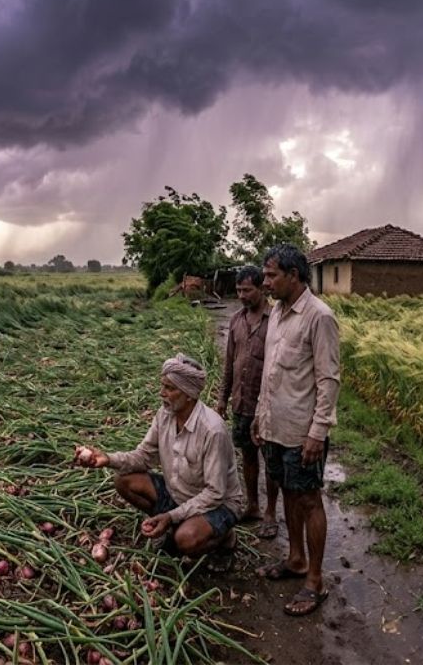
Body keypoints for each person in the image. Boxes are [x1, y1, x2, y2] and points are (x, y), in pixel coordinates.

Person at [77, 354, 245, 557]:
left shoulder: (212, 431)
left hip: (217, 504)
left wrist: (171, 516)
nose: (162, 393)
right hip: (179, 494)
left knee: (185, 540)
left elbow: (214, 493)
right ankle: (174, 524)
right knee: (124, 480)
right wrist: (107, 459)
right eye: (162, 385)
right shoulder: (164, 415)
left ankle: (225, 538)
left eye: (170, 388)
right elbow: (144, 456)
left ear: (189, 394)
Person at [253, 243, 340, 617]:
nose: (265, 281)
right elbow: (271, 371)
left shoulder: (319, 317)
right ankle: (295, 559)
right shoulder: (276, 313)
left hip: (303, 432)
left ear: (294, 275)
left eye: (272, 275)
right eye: (265, 274)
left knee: (308, 499)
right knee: (289, 492)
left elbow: (329, 379)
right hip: (275, 426)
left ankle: (315, 581)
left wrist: (317, 432)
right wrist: (260, 415)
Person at [217, 266, 280, 538]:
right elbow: (229, 364)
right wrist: (222, 398)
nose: (241, 295)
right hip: (241, 403)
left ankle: (270, 513)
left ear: (262, 289)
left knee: (271, 459)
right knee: (248, 455)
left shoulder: (276, 319)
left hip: (267, 406)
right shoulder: (236, 321)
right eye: (239, 290)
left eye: (247, 290)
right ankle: (253, 505)